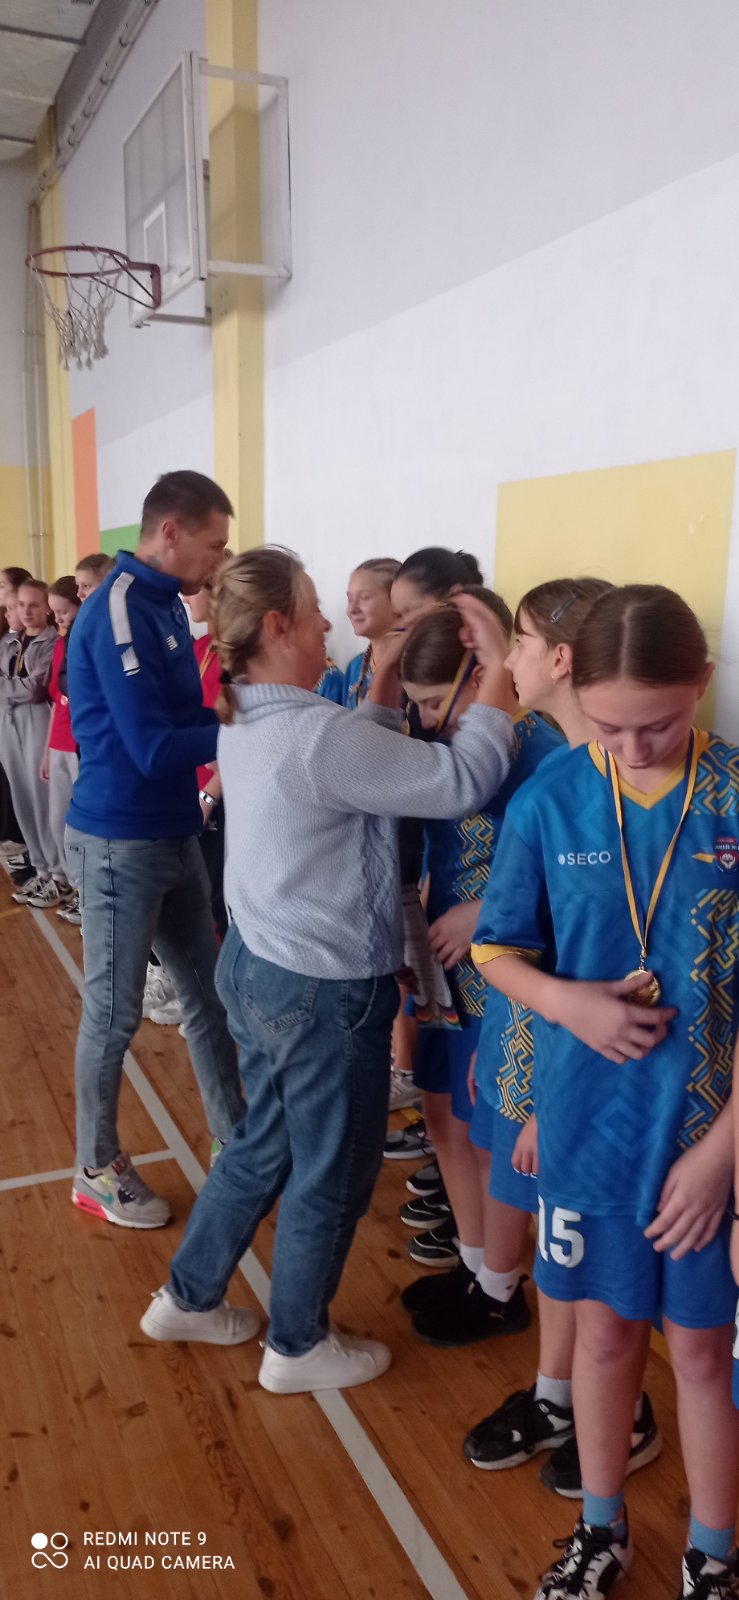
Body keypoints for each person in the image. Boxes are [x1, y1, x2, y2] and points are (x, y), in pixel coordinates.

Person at [139, 549, 515, 1394]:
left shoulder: (248, 712)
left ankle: (188, 1296)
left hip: (259, 969)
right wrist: (496, 671)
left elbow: (355, 763)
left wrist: (378, 682)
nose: (327, 625)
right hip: (318, 987)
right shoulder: (316, 735)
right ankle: (298, 1344)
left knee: (262, 1145)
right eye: (313, 611)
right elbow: (459, 779)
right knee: (333, 1172)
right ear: (278, 626)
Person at [474, 584, 739, 1600]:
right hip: (588, 1130)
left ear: (701, 683)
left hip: (707, 1144)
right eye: (609, 724)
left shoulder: (730, 796)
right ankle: (599, 1529)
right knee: (602, 1334)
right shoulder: (549, 797)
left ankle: (711, 1555)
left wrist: (718, 1159)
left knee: (702, 1354)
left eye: (658, 724)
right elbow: (497, 948)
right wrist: (567, 1008)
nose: (631, 748)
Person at [65, 470, 245, 1229]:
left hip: (173, 832)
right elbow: (148, 747)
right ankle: (94, 1168)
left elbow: (181, 718)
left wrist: (238, 710)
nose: (220, 559)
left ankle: (235, 1141)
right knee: (114, 1014)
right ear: (170, 532)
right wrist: (247, 731)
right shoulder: (117, 609)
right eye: (214, 544)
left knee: (208, 997)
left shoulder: (167, 603)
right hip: (119, 842)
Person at [397, 591, 563, 1323]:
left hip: (501, 966)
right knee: (443, 1112)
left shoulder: (540, 751)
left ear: (483, 674)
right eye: (418, 705)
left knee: (489, 1126)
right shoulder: (446, 747)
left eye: (439, 701)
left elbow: (566, 875)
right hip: (444, 961)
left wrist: (481, 911)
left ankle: (499, 1283)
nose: (430, 719)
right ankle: (473, 1264)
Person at [1, 579, 59, 905]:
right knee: (21, 798)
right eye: (20, 605)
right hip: (9, 724)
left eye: (34, 604)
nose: (26, 611)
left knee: (42, 800)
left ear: (47, 608)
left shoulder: (52, 643)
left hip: (38, 722)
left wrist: (10, 687)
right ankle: (41, 869)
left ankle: (59, 873)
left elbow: (35, 688)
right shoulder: (10, 642)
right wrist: (14, 687)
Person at [37, 576, 81, 919]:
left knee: (80, 827)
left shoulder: (85, 642)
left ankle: (86, 892)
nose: (59, 618)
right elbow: (56, 700)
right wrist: (47, 750)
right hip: (59, 743)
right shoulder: (61, 645)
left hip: (82, 746)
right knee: (58, 821)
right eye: (55, 613)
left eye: (64, 611)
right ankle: (71, 885)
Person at [341, 557, 401, 706]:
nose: (352, 609)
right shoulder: (355, 667)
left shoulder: (417, 664)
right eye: (350, 599)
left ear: (397, 600)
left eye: (364, 597)